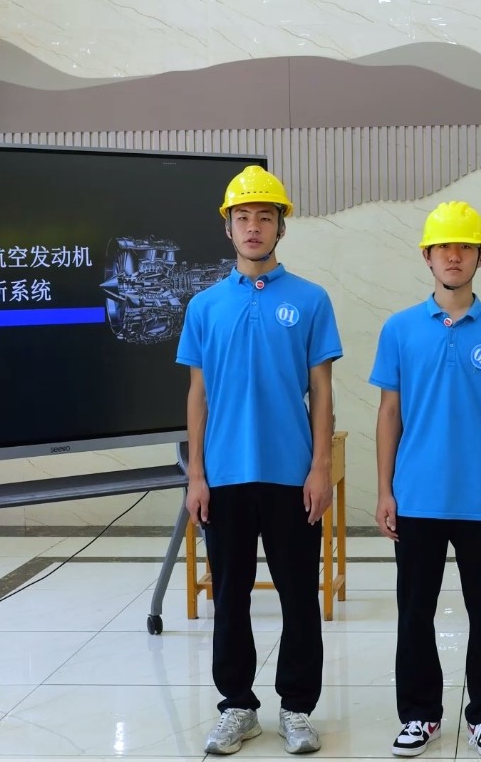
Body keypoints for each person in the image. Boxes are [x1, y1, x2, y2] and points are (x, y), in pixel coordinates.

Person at [176, 164, 344, 756]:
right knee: (231, 596)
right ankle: (238, 707)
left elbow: (322, 391)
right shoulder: (205, 306)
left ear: (281, 227)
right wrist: (196, 475)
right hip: (223, 476)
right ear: (228, 228)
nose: (253, 227)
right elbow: (197, 395)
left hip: (291, 475)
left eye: (264, 217)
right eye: (243, 217)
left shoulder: (311, 300)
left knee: (299, 595)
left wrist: (320, 468)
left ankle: (296, 707)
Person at [369, 201, 481, 759]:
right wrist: (385, 489)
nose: (454, 256)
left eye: (465, 247)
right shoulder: (400, 329)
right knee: (414, 612)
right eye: (444, 247)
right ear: (427, 256)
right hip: (417, 496)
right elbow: (389, 413)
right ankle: (419, 714)